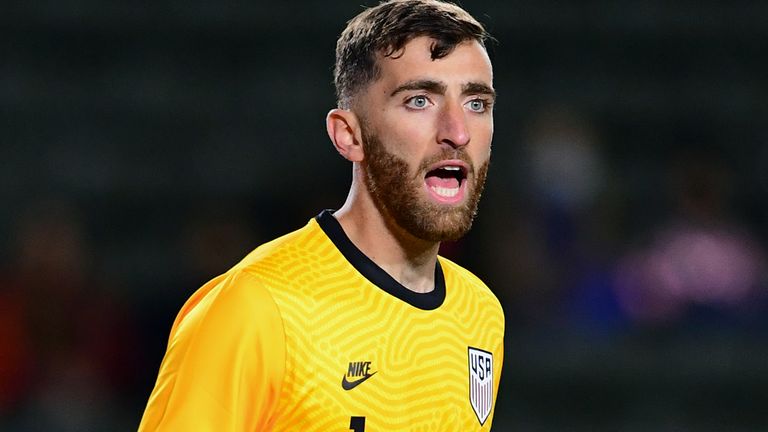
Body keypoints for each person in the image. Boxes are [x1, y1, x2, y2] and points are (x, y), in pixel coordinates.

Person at [138, 0, 504, 430]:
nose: (458, 132)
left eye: (476, 103)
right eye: (419, 100)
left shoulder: (480, 313)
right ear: (349, 136)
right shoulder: (257, 308)